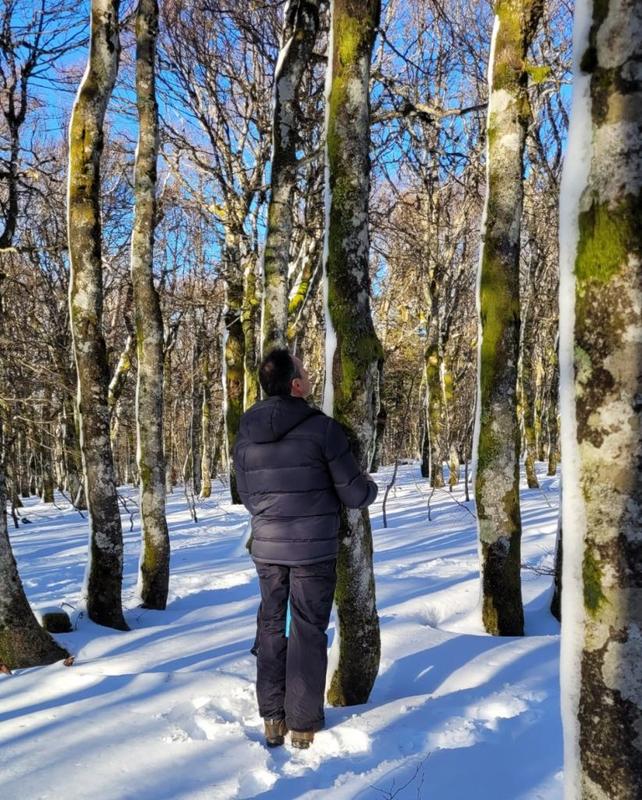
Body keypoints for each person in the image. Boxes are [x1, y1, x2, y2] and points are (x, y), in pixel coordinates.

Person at [232, 348, 378, 749]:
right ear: (296, 385)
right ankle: (303, 723)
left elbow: (246, 494)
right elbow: (353, 494)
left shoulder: (246, 431)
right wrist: (370, 487)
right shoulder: (323, 429)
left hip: (267, 548)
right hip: (313, 551)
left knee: (270, 624)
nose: (311, 378)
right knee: (307, 629)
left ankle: (272, 718)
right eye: (306, 373)